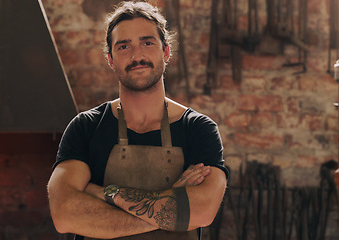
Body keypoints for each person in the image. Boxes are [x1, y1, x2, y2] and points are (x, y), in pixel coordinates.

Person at [47, 1, 228, 239]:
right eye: (124, 46)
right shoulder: (86, 127)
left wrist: (107, 194)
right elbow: (64, 214)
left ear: (165, 52)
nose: (137, 55)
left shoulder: (198, 129)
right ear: (111, 59)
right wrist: (170, 208)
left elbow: (203, 211)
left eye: (147, 42)